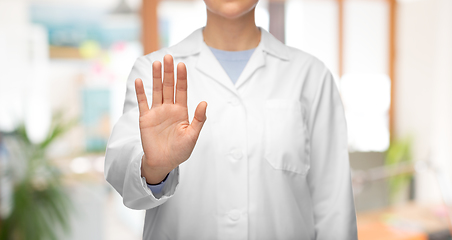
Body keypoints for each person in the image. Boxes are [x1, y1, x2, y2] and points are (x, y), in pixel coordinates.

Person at [105, 0, 358, 239]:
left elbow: (334, 209)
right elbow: (123, 179)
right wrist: (154, 169)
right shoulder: (154, 72)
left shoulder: (311, 76)